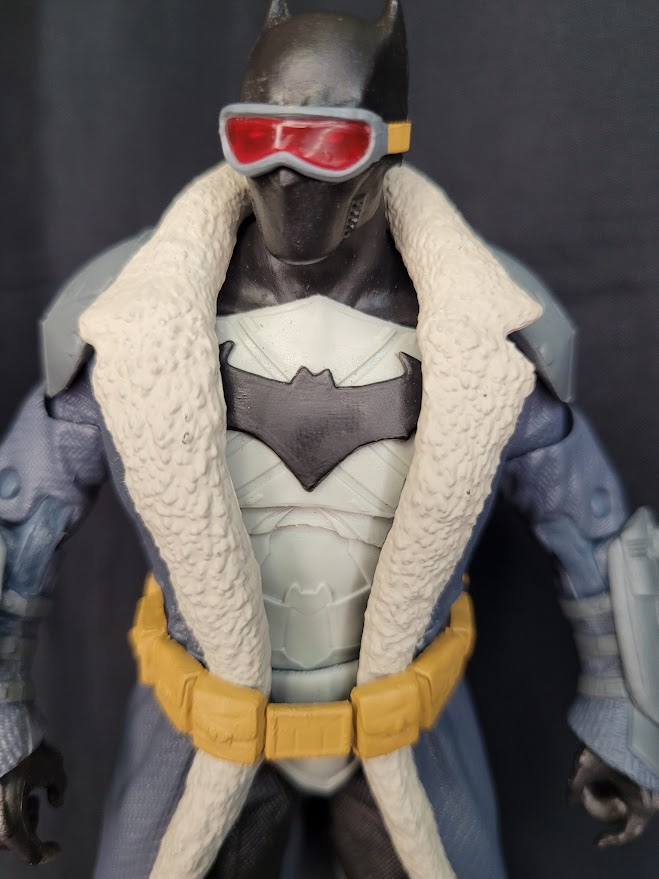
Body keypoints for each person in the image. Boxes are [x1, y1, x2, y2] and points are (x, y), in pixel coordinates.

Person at [0, 2, 657, 877]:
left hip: (403, 736)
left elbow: (596, 531)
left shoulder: (482, 334)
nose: (286, 174)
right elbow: (19, 520)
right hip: (200, 733)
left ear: (388, 145)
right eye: (259, 137)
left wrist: (627, 712)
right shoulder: (130, 322)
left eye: (326, 144)